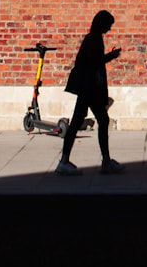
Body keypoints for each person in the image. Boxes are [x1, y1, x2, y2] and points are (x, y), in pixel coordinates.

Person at [56, 9, 123, 176]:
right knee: (101, 119)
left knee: (81, 121)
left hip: (87, 88)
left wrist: (109, 56)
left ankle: (66, 161)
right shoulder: (94, 39)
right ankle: (103, 161)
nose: (109, 29)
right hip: (89, 88)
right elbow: (94, 63)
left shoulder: (93, 38)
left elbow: (94, 61)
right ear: (102, 24)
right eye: (108, 25)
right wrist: (110, 57)